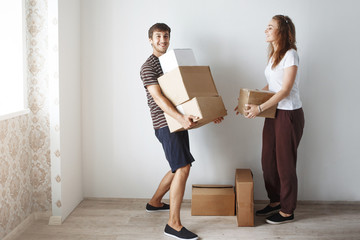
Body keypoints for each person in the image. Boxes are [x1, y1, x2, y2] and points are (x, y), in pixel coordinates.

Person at [140, 23, 223, 240]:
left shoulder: (171, 63)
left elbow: (188, 93)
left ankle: (154, 202)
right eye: (158, 36)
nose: (163, 40)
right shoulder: (148, 66)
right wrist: (180, 118)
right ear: (150, 39)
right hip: (166, 124)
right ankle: (173, 224)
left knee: (178, 167)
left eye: (166, 36)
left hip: (178, 122)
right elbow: (159, 99)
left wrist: (208, 112)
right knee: (183, 167)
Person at [235, 15, 305, 224]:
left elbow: (284, 90)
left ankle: (287, 210)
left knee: (285, 163)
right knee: (268, 160)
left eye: (270, 27)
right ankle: (275, 201)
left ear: (282, 31)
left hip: (288, 114)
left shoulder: (291, 55)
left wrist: (259, 108)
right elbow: (271, 87)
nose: (265, 30)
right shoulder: (274, 55)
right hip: (273, 113)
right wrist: (246, 102)